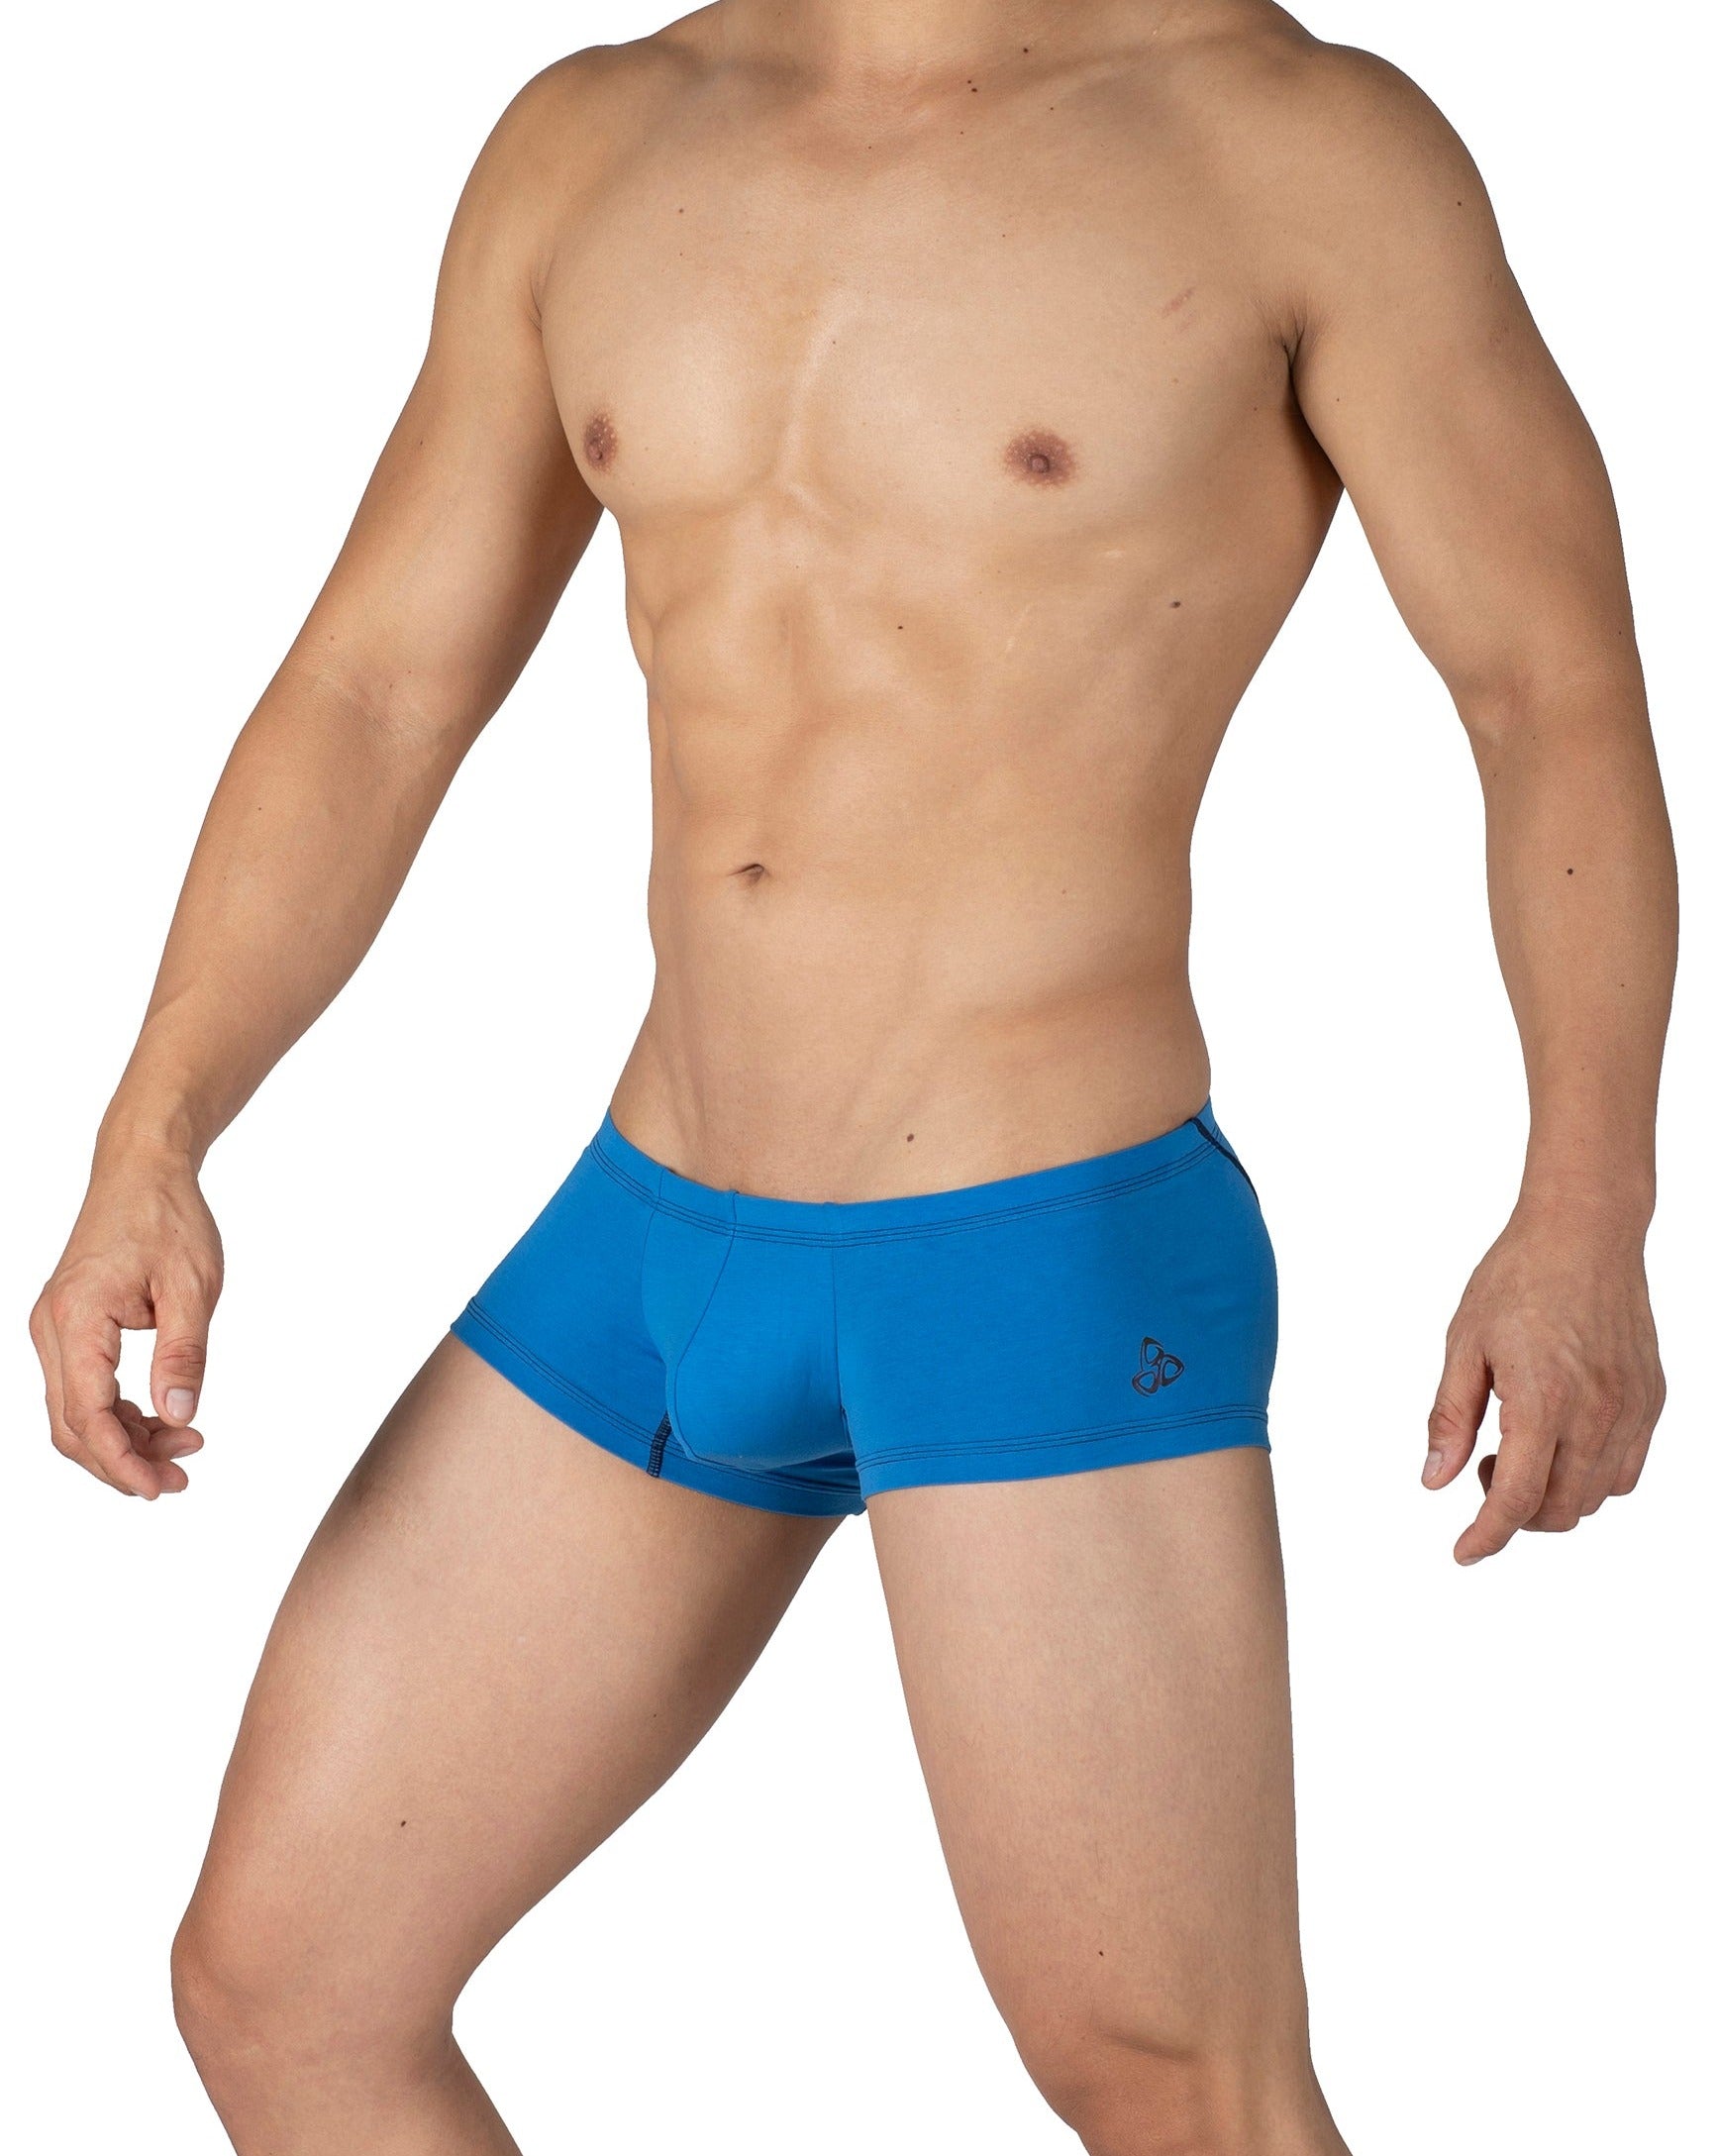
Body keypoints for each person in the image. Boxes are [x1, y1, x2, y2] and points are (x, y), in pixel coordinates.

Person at [30, 3, 1674, 2151]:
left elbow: (1547, 689)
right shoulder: (596, 136)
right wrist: (153, 1130)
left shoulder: (1292, 144)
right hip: (655, 1231)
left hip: (1034, 1243)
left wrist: (1584, 1208)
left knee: (1176, 2090)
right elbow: (377, 684)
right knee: (284, 1988)